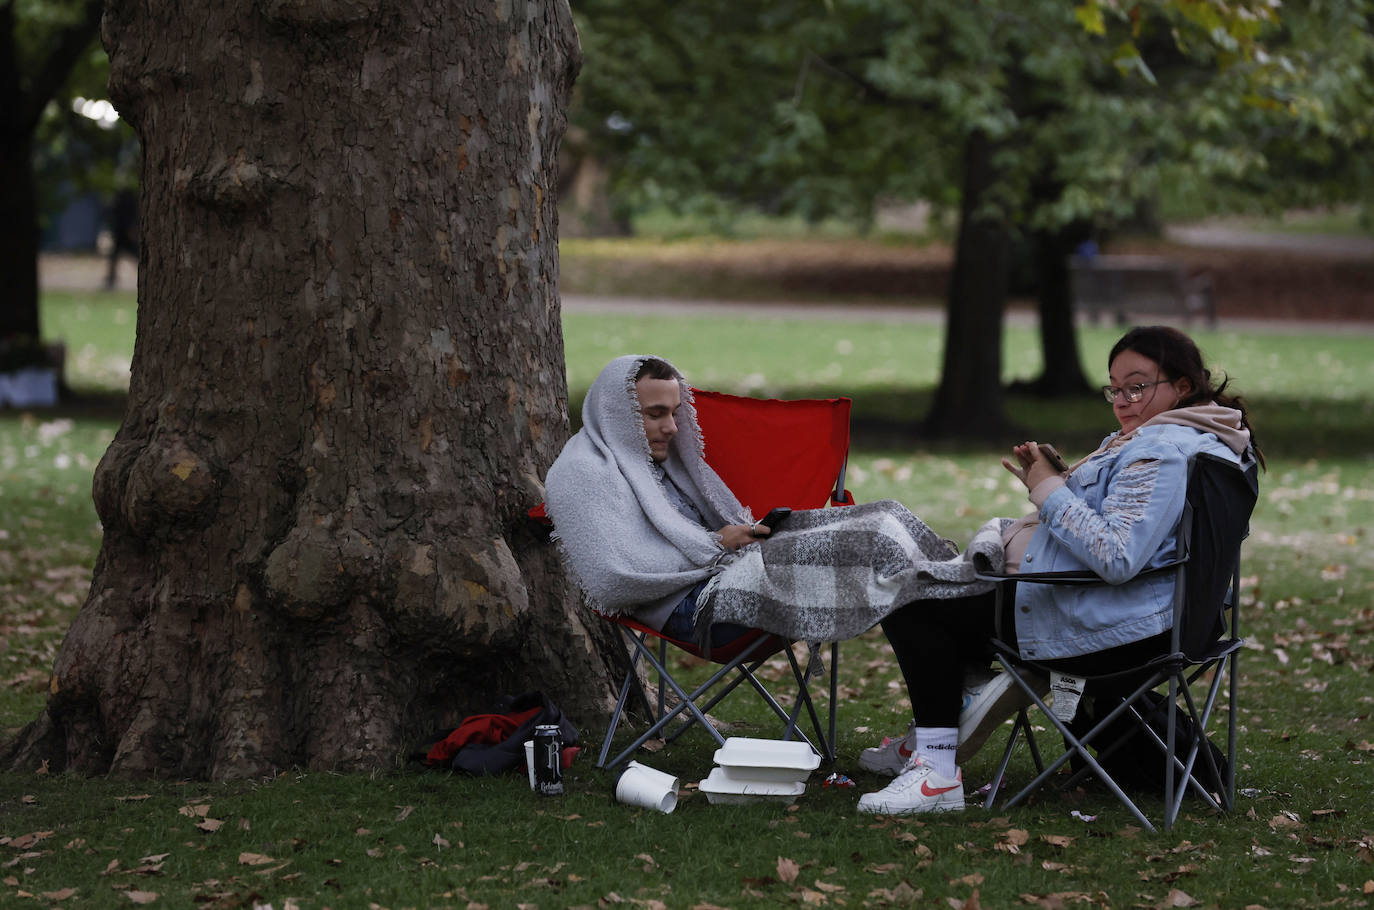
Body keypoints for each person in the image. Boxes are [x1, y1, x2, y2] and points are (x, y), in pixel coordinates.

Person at [856, 326, 1263, 815]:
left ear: (1181, 387)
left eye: (1138, 386)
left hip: (1105, 622)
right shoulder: (1204, 438)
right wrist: (1059, 476)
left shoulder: (1162, 450)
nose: (1123, 400)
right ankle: (952, 710)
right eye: (1115, 387)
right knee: (942, 591)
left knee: (913, 601)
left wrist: (1048, 488)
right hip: (1153, 616)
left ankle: (937, 771)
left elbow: (1116, 555)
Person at [544, 355, 763, 647]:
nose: (672, 427)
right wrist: (716, 544)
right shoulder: (583, 472)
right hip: (685, 606)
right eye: (656, 414)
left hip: (730, 577)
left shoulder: (669, 462)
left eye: (674, 413)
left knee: (828, 544)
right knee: (815, 570)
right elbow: (612, 581)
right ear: (617, 413)